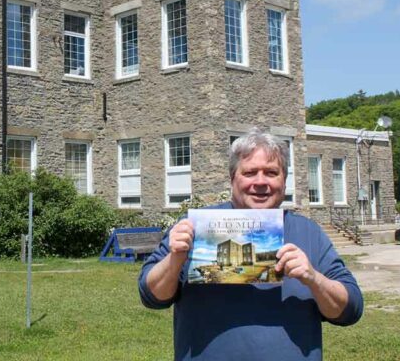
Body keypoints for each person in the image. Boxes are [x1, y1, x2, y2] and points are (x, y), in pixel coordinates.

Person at [138, 129, 363, 360]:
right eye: (250, 172)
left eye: (271, 172)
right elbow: (151, 297)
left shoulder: (308, 232)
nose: (260, 182)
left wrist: (314, 279)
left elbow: (350, 311)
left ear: (284, 181)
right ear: (232, 179)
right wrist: (175, 259)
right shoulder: (195, 226)